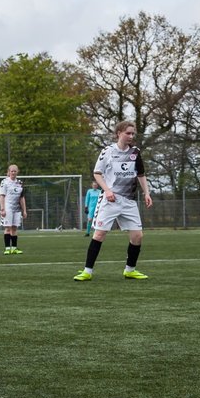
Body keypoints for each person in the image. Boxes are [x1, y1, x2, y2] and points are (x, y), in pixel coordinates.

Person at [74, 120, 153, 281]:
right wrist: (107, 190)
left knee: (137, 236)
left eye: (133, 133)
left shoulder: (136, 152)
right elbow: (97, 173)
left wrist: (147, 193)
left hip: (129, 201)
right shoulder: (107, 151)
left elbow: (141, 175)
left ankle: (130, 270)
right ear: (119, 133)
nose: (131, 136)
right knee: (99, 234)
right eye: (128, 133)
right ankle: (87, 272)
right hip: (110, 200)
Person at [0, 164, 27, 254]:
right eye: (12, 171)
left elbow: (22, 198)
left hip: (17, 208)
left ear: (17, 172)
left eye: (15, 171)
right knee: (8, 228)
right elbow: (2, 196)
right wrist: (2, 209)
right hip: (8, 207)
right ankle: (7, 249)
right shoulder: (4, 182)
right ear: (9, 172)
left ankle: (14, 248)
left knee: (14, 228)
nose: (13, 172)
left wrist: (24, 210)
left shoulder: (20, 183)